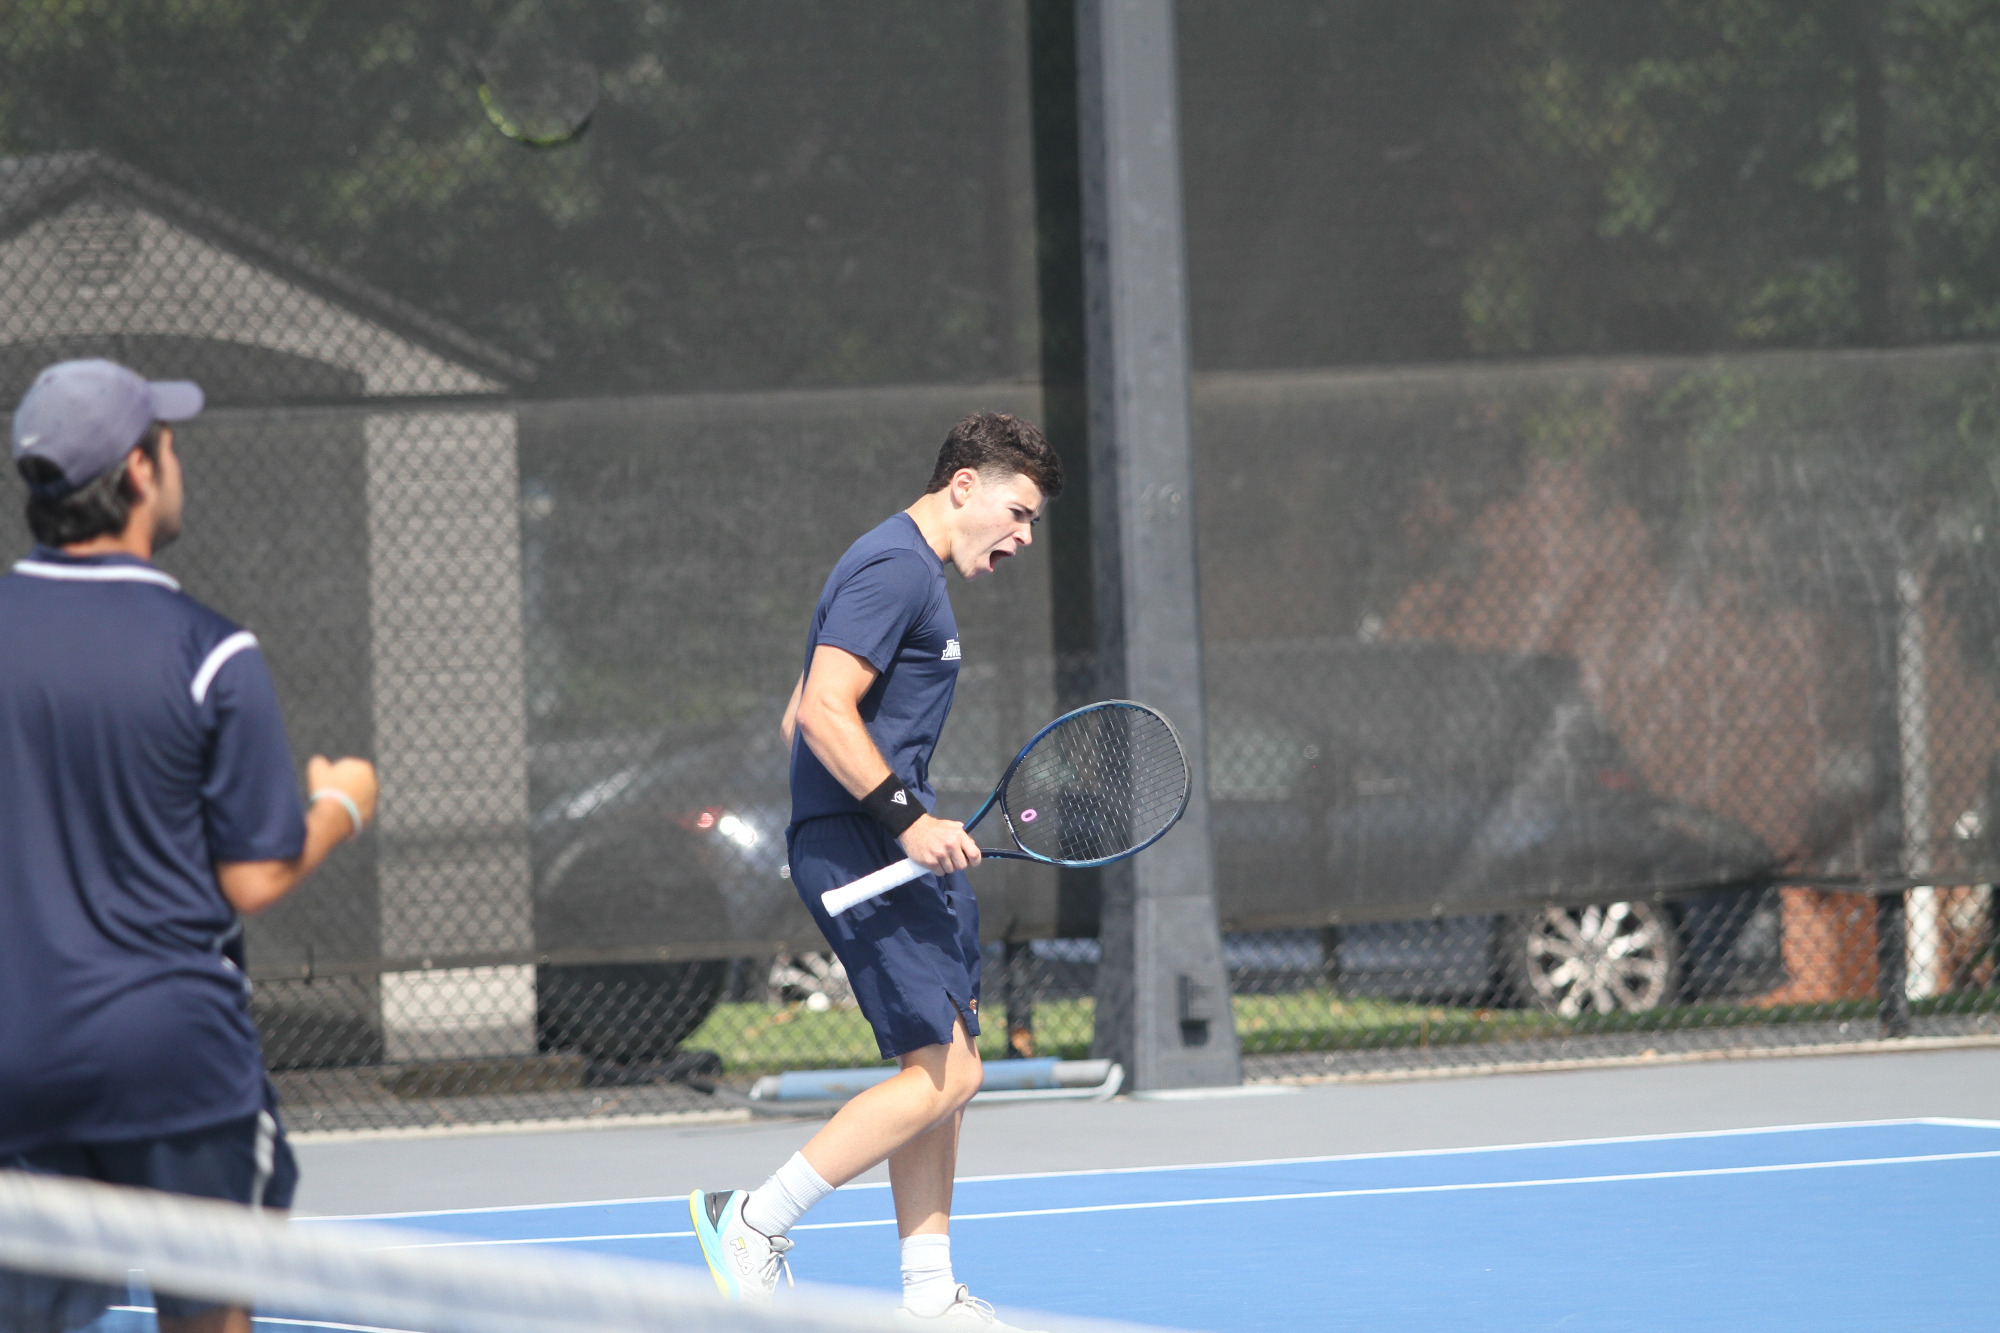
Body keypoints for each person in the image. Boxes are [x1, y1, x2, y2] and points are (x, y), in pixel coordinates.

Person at [0, 359, 379, 1333]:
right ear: (137, 470)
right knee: (208, 1317)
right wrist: (339, 803)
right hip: (172, 1056)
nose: (178, 461)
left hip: (17, 1053)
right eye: (168, 444)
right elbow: (251, 876)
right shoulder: (209, 650)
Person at [690, 412, 1061, 1327]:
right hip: (866, 843)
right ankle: (752, 1220)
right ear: (963, 484)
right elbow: (821, 710)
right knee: (951, 1073)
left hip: (879, 838)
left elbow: (801, 712)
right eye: (1016, 512)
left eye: (1033, 524)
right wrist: (905, 819)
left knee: (948, 1065)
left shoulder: (903, 573)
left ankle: (929, 1295)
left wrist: (905, 813)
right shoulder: (897, 566)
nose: (1021, 536)